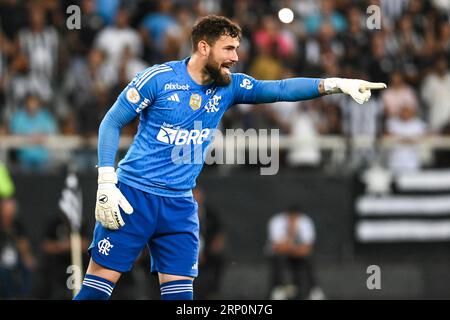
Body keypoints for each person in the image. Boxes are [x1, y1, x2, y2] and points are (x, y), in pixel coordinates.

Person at [74, 15, 386, 300]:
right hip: (133, 195)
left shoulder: (229, 87)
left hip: (180, 204)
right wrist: (106, 182)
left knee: (181, 300)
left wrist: (333, 84)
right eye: (228, 49)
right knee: (96, 291)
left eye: (236, 49)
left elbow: (279, 89)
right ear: (203, 47)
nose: (235, 58)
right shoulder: (158, 79)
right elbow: (111, 122)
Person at [266, 205, 323, 300]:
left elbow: (307, 248)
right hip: (279, 255)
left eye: (295, 218)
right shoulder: (277, 221)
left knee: (308, 260)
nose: (293, 220)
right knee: (279, 259)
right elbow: (278, 247)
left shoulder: (305, 222)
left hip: (298, 255)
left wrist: (291, 248)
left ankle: (313, 290)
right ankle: (279, 289)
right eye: (291, 217)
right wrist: (292, 239)